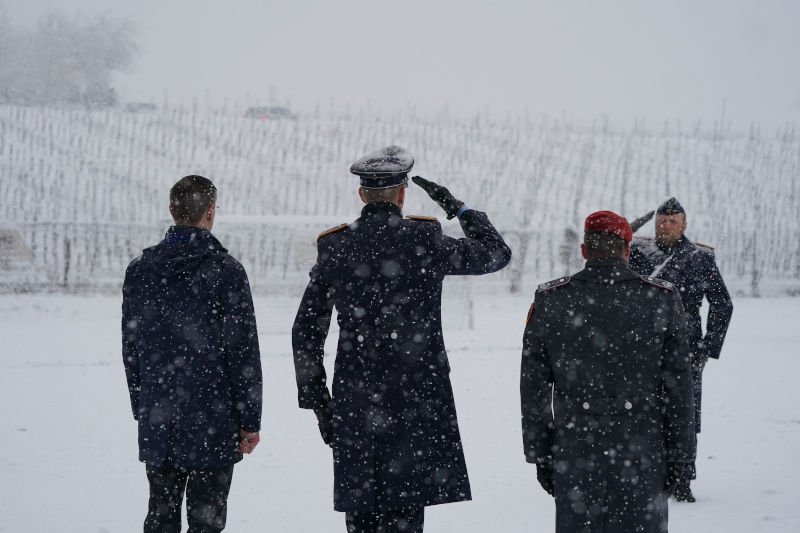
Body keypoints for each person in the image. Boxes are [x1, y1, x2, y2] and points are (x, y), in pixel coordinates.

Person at [292, 145, 512, 533]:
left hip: (356, 399)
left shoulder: (337, 247)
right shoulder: (424, 240)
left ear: (362, 194)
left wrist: (319, 403)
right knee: (406, 513)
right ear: (402, 193)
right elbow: (496, 254)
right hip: (415, 399)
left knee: (361, 514)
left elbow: (307, 332)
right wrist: (458, 209)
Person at [520, 210, 696, 533]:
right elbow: (680, 387)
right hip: (642, 454)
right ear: (628, 250)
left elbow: (533, 388)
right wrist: (681, 456)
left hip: (575, 454)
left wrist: (541, 454)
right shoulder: (661, 299)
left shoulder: (551, 300)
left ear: (584, 250)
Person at [122, 175, 263, 532]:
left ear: (172, 209)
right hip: (213, 416)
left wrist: (143, 403)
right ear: (211, 212)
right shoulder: (227, 272)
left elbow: (131, 347)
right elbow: (243, 353)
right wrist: (249, 420)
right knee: (207, 520)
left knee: (160, 514)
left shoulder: (140, 271)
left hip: (160, 415)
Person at [628, 197, 733, 502]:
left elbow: (722, 303)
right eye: (662, 220)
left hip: (685, 347)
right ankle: (645, 477)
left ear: (684, 225)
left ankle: (682, 479)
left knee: (684, 416)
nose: (666, 225)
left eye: (673, 221)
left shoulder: (699, 258)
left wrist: (706, 348)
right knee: (641, 414)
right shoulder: (636, 252)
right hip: (642, 346)